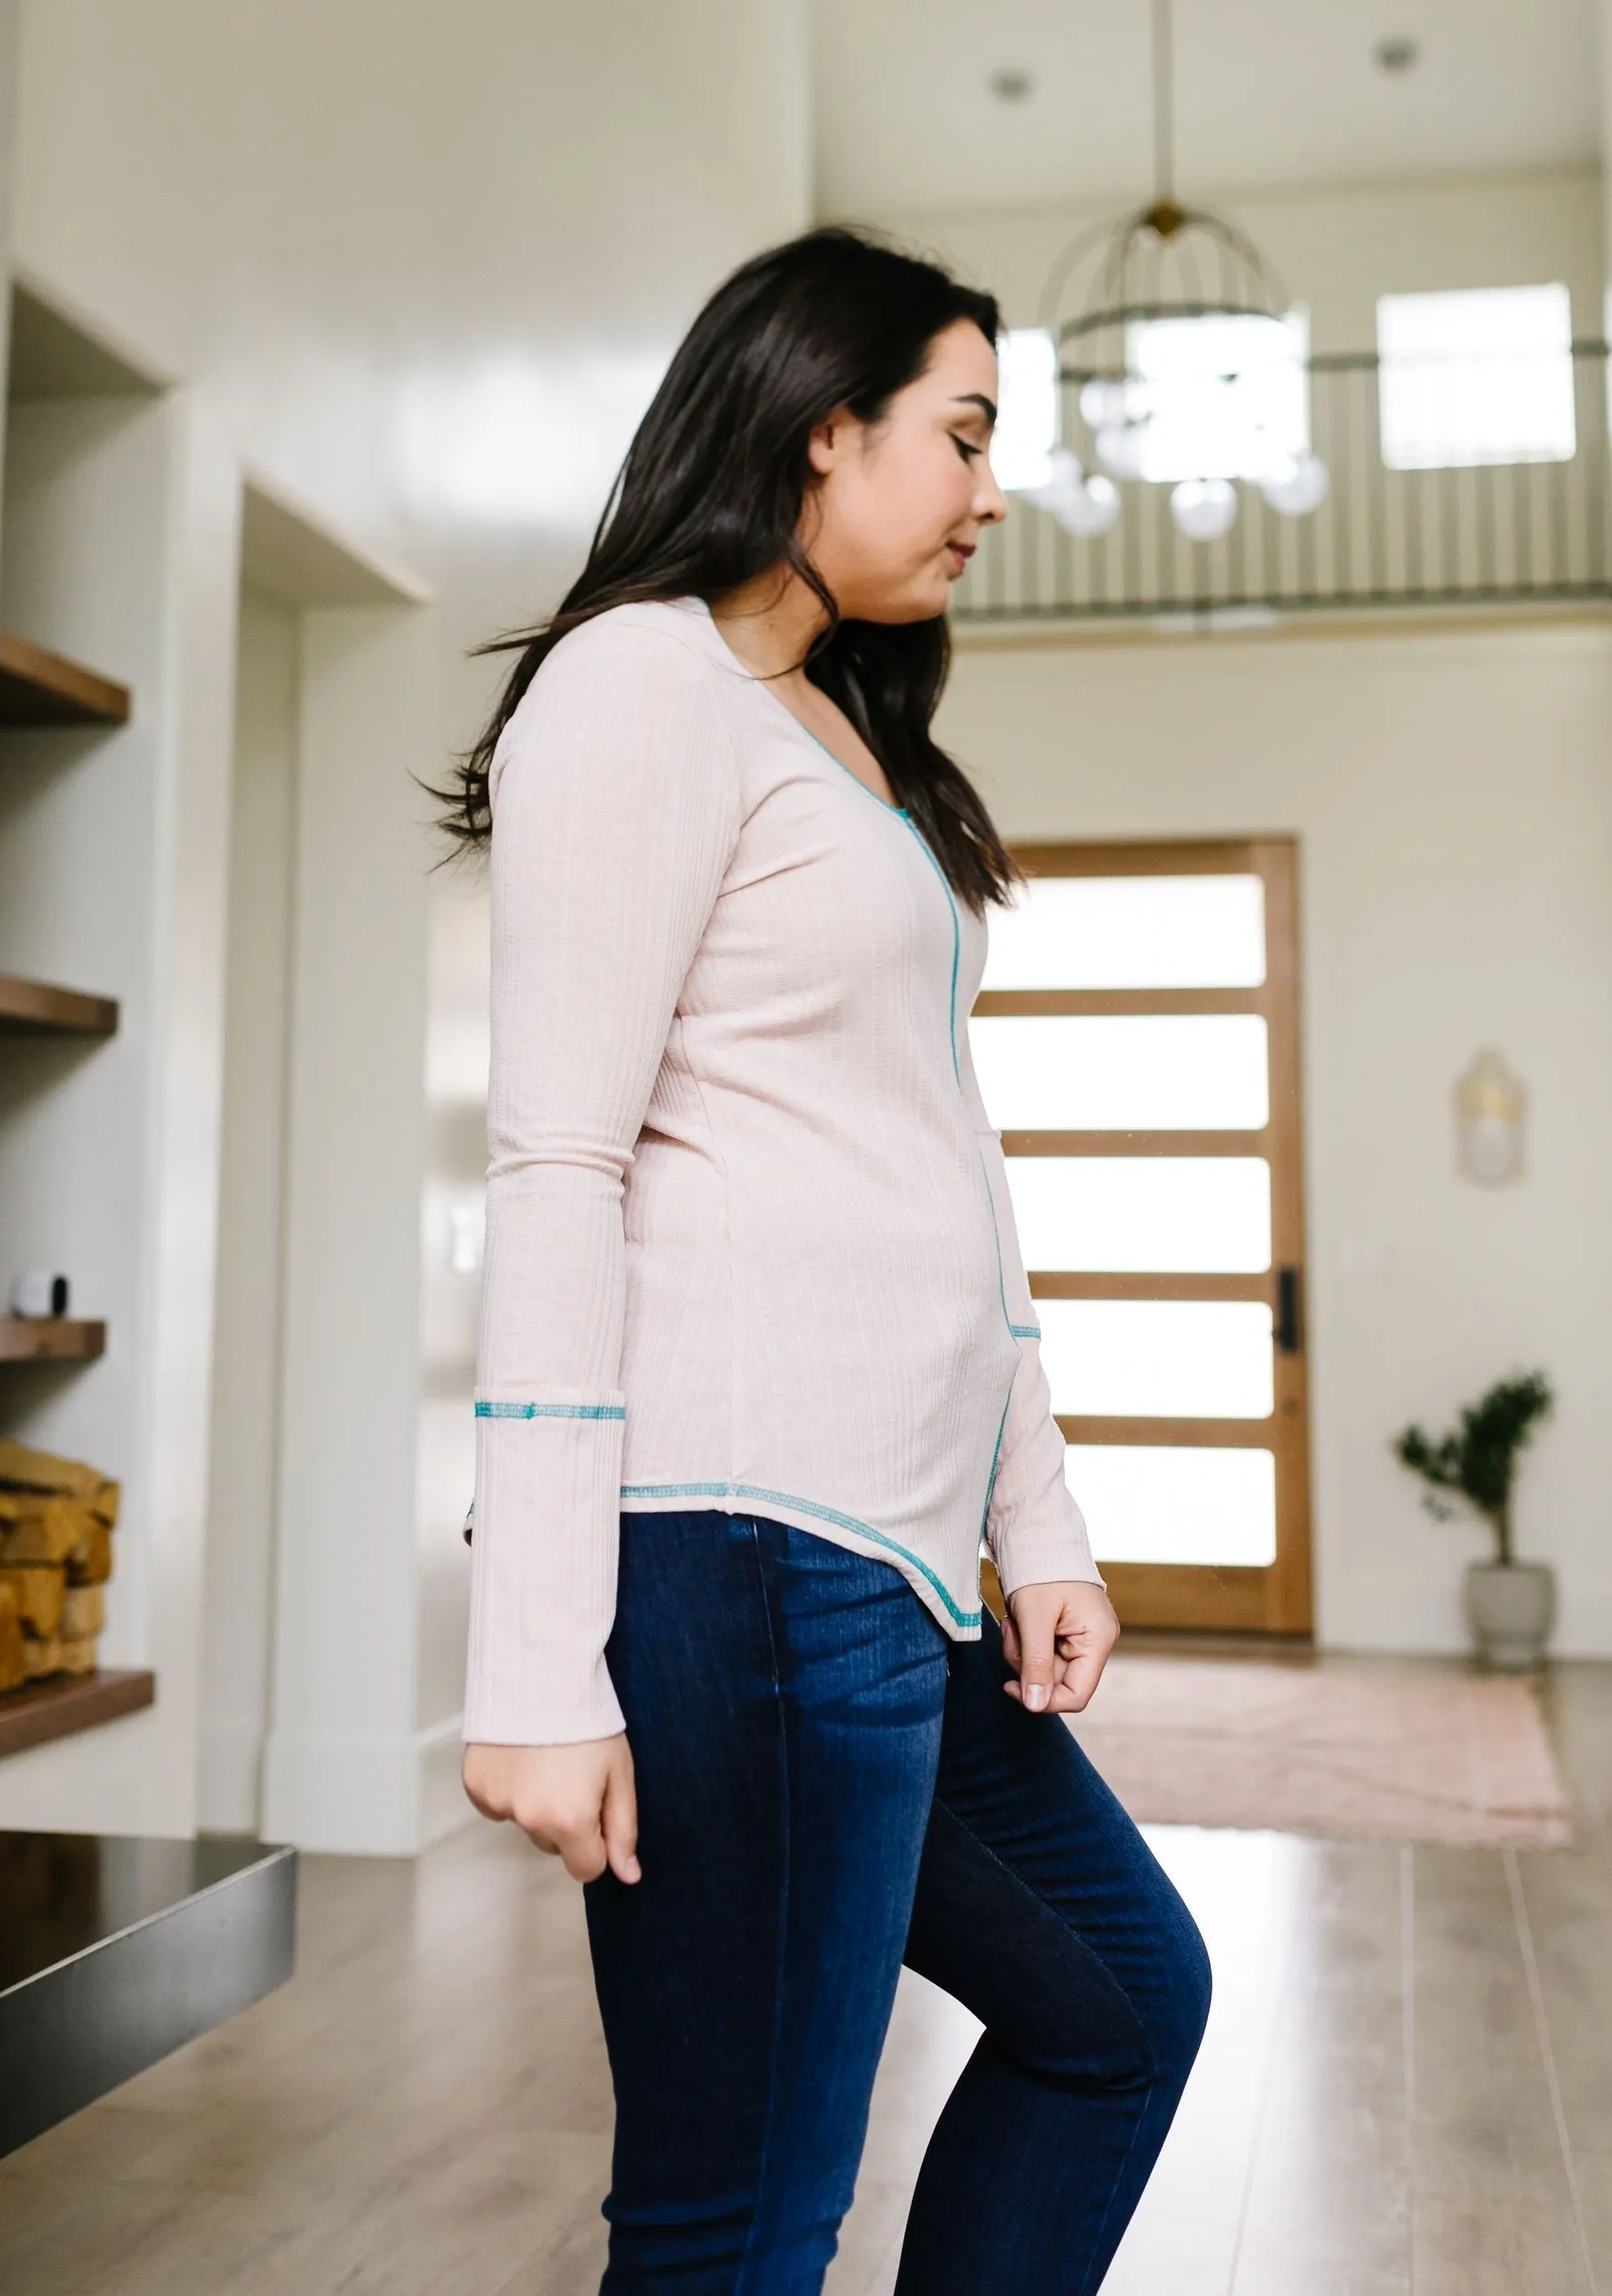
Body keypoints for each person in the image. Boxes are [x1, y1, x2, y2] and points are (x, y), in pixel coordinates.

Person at [444, 229, 1211, 2296]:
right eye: (959, 434)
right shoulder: (641, 683)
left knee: (1122, 2006)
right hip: (735, 1549)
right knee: (739, 2225)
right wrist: (529, 1662)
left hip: (883, 1567)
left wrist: (1034, 1519)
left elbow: (938, 1164)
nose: (988, 491)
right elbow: (556, 1165)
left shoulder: (846, 736)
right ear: (816, 428)